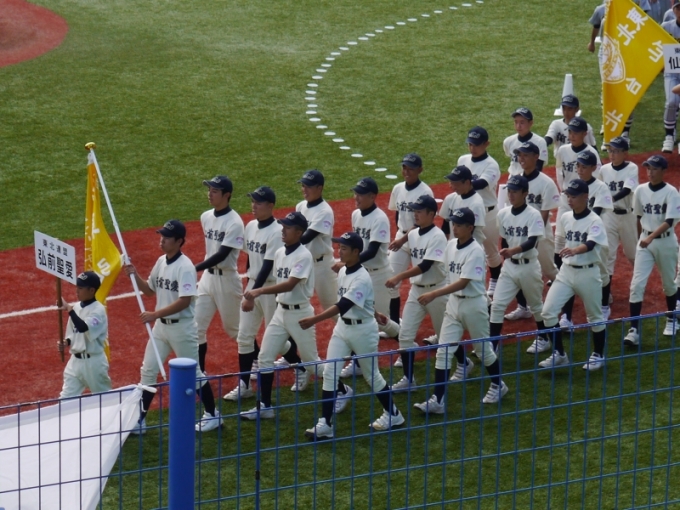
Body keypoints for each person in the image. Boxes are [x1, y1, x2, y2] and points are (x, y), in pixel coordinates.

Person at [300, 232, 405, 439]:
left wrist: (314, 319)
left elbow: (343, 305)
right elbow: (359, 302)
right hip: (343, 328)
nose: (340, 251)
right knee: (330, 373)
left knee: (372, 375)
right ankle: (325, 424)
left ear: (356, 252)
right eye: (340, 247)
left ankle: (394, 414)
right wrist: (374, 312)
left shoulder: (361, 278)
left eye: (344, 248)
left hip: (363, 331)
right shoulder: (343, 271)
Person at [124, 220, 221, 433]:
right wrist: (134, 274)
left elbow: (184, 301)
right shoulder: (161, 261)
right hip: (161, 328)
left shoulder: (185, 267)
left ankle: (213, 415)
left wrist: (155, 314)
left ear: (179, 241)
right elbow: (149, 290)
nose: (162, 240)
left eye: (167, 237)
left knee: (194, 374)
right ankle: (139, 421)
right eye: (162, 236)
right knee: (148, 371)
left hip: (182, 329)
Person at [414, 208, 508, 414]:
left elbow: (464, 282)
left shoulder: (475, 250)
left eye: (458, 225)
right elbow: (449, 274)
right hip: (454, 304)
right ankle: (438, 400)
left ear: (470, 227)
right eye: (453, 224)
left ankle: (498, 384)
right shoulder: (451, 245)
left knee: (483, 350)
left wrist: (434, 293)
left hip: (474, 305)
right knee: (443, 350)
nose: (454, 228)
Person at [240, 212, 320, 420]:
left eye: (288, 227)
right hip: (281, 312)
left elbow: (290, 284)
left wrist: (258, 291)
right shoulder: (280, 252)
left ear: (299, 232)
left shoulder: (303, 256)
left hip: (300, 314)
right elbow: (280, 282)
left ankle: (341, 389)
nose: (282, 230)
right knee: (265, 357)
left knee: (311, 363)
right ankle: (264, 406)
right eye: (283, 226)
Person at [539, 180, 609, 371]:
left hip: (588, 273)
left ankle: (598, 354)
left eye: (574, 196)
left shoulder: (595, 220)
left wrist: (575, 250)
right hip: (566, 272)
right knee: (548, 312)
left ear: (585, 197)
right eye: (568, 196)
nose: (569, 199)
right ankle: (560, 354)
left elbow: (591, 244)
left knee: (595, 316)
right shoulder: (566, 217)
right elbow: (560, 242)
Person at [223, 186, 283, 402]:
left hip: (270, 289)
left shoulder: (277, 231)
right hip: (254, 285)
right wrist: (249, 283)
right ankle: (245, 384)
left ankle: (301, 366)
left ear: (270, 205)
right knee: (244, 337)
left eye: (258, 202)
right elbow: (250, 257)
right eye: (253, 201)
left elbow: (267, 265)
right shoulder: (250, 226)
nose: (253, 206)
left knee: (277, 339)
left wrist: (252, 293)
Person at [386, 195, 448, 391]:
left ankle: (464, 363)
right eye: (415, 211)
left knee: (445, 337)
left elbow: (425, 265)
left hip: (437, 291)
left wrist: (399, 276)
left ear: (431, 214)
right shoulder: (413, 234)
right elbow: (408, 243)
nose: (415, 214)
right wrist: (400, 241)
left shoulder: (438, 236)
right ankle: (409, 379)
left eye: (419, 211)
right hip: (417, 291)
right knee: (405, 336)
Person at [335, 177, 395, 378]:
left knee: (382, 321)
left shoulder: (380, 219)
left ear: (372, 196)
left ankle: (406, 344)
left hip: (378, 275)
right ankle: (358, 363)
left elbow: (372, 251)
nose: (356, 197)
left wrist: (346, 263)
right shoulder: (356, 215)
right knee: (357, 316)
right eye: (356, 193)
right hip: (361, 273)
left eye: (360, 194)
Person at [488, 176, 550, 354]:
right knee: (497, 305)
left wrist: (512, 251)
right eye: (509, 191)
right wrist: (507, 255)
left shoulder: (533, 215)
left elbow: (532, 242)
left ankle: (544, 338)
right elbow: (504, 239)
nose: (511, 194)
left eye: (515, 191)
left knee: (536, 306)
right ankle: (493, 345)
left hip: (529, 266)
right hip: (510, 267)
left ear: (525, 193)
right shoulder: (503, 214)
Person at [624, 155, 680, 345]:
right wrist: (642, 238)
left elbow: (669, 221)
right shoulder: (640, 190)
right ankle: (633, 330)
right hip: (645, 242)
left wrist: (649, 237)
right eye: (648, 168)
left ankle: (672, 319)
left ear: (663, 171)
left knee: (669, 284)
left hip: (665, 242)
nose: (650, 172)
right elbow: (639, 217)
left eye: (654, 169)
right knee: (636, 285)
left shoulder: (671, 192)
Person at [504, 142, 560, 321]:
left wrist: (532, 236)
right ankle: (523, 307)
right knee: (516, 269)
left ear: (536, 157)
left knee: (549, 269)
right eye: (520, 155)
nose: (521, 158)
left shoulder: (546, 183)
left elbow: (544, 213)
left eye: (526, 155)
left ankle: (564, 297)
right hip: (517, 234)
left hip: (540, 235)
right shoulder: (515, 179)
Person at [194, 176, 244, 373]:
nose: (210, 194)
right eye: (209, 190)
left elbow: (222, 255)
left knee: (235, 330)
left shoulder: (235, 223)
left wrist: (194, 267)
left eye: (214, 191)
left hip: (227, 280)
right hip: (208, 279)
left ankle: (258, 359)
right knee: (196, 328)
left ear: (226, 195)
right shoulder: (206, 217)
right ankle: (199, 373)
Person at [559, 152, 613, 326]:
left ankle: (604, 306)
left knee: (602, 273)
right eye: (578, 166)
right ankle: (566, 316)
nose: (580, 170)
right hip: (575, 236)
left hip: (596, 237)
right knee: (569, 273)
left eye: (584, 167)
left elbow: (595, 213)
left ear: (593, 168)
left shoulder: (600, 187)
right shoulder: (572, 187)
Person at [387, 153, 434, 322]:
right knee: (390, 281)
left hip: (419, 239)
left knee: (425, 282)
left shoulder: (425, 192)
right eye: (404, 168)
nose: (407, 172)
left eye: (411, 169)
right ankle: (394, 323)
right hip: (402, 237)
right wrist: (399, 234)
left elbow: (422, 223)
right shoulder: (398, 188)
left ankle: (438, 314)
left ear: (420, 170)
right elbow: (397, 213)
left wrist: (402, 239)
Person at [457, 127, 503, 298]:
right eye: (470, 144)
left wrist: (461, 184)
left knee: (490, 251)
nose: (472, 148)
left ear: (486, 144)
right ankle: (465, 281)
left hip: (487, 213)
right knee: (465, 248)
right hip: (466, 214)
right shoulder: (462, 160)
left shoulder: (491, 165)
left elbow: (482, 184)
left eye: (476, 144)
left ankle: (495, 279)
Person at [554, 117, 602, 270]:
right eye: (570, 132)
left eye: (576, 132)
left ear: (584, 133)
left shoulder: (591, 152)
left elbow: (597, 176)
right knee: (559, 237)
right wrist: (563, 188)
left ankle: (584, 266)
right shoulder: (562, 150)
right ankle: (559, 272)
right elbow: (559, 170)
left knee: (582, 235)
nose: (572, 135)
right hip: (566, 197)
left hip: (583, 199)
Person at [57, 271, 112, 398]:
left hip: (93, 363)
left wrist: (69, 309)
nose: (77, 291)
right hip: (75, 362)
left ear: (92, 290)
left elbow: (83, 327)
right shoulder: (76, 307)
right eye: (77, 287)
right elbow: (73, 334)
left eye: (81, 288)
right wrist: (66, 342)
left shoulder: (98, 310)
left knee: (104, 400)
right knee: (64, 401)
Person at [598, 137, 639, 302]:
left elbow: (627, 190)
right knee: (608, 255)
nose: (612, 154)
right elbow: (599, 190)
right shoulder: (604, 170)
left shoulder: (632, 168)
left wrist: (610, 199)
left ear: (625, 153)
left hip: (628, 216)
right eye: (610, 150)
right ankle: (605, 295)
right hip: (609, 216)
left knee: (633, 254)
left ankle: (639, 285)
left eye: (616, 151)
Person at [296, 169, 338, 312]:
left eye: (308, 186)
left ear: (319, 188)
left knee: (331, 307)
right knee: (297, 304)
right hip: (304, 264)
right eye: (303, 185)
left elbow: (306, 237)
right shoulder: (300, 206)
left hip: (322, 266)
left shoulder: (324, 211)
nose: (304, 189)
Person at [439, 165, 486, 246]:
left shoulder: (476, 204)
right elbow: (445, 226)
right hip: (455, 247)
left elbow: (469, 233)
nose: (452, 187)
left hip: (471, 248)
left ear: (467, 182)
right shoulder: (450, 198)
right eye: (451, 182)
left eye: (456, 183)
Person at [544, 95, 597, 163]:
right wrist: (542, 144)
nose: (566, 112)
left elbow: (593, 148)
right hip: (561, 162)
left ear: (577, 109)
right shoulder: (556, 124)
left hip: (580, 163)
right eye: (564, 108)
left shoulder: (585, 127)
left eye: (570, 109)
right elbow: (549, 138)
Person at [502, 108, 549, 177]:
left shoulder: (540, 142)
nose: (518, 126)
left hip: (531, 179)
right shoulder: (508, 141)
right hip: (512, 179)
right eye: (516, 122)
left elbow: (538, 167)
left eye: (522, 122)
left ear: (530, 123)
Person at [661, 1, 680, 153]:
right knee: (671, 101)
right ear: (674, 10)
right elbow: (655, 45)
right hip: (672, 71)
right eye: (678, 8)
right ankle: (669, 136)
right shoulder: (666, 27)